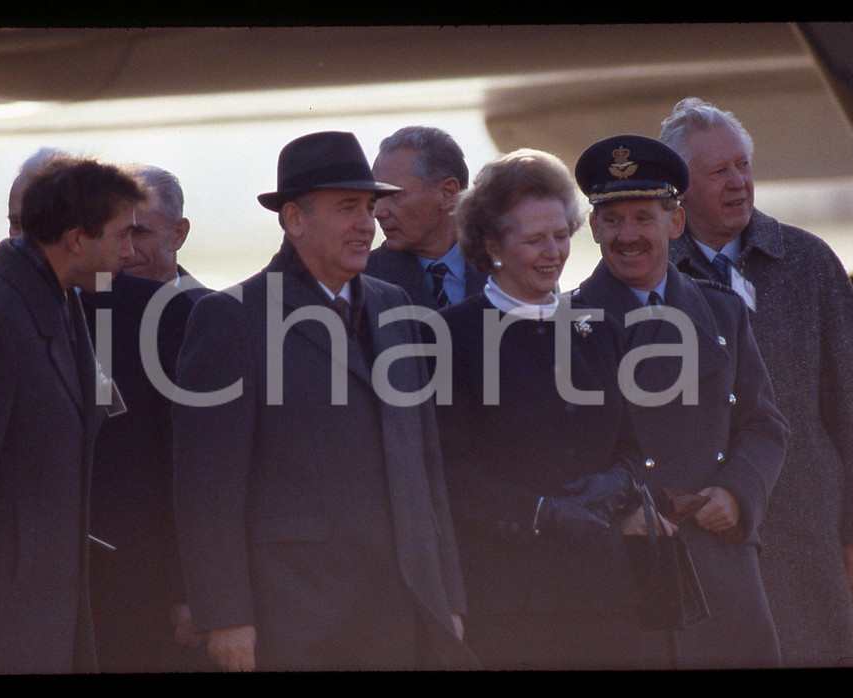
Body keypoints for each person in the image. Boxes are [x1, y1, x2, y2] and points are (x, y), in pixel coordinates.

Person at [172, 130, 477, 671]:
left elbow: (426, 468)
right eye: (347, 208)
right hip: (294, 616)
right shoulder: (232, 317)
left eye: (369, 207)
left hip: (403, 613)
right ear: (294, 219)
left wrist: (447, 596)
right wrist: (225, 615)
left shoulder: (396, 307)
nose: (366, 224)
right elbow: (207, 488)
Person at [571, 134, 789, 668]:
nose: (628, 235)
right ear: (594, 227)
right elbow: (556, 452)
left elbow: (764, 425)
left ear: (675, 223)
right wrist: (619, 512)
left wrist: (737, 494)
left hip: (721, 572)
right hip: (623, 575)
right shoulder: (567, 325)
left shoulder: (722, 311)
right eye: (613, 220)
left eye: (644, 218)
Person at [659, 97, 853, 667]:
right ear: (679, 189)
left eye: (742, 165)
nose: (737, 182)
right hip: (704, 534)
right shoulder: (655, 274)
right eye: (717, 172)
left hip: (808, 532)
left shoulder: (808, 261)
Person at [0, 157, 146, 674]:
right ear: (76, 239)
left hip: (47, 613)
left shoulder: (59, 301)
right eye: (122, 236)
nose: (131, 253)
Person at [433, 148, 645, 670]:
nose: (553, 253)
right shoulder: (453, 336)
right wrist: (541, 513)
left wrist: (615, 484)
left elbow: (632, 448)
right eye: (533, 240)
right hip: (510, 603)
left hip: (607, 594)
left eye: (560, 235)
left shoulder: (598, 329)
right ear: (491, 246)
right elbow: (448, 472)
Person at [80, 164, 214, 672]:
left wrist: (192, 588)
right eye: (119, 234)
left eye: (140, 233)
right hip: (105, 584)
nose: (128, 250)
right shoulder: (85, 314)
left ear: (179, 234)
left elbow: (208, 473)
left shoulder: (218, 318)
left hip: (180, 593)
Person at [366, 126, 486, 308]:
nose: (378, 212)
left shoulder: (509, 267)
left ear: (448, 193)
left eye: (394, 195)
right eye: (376, 196)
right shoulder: (360, 281)